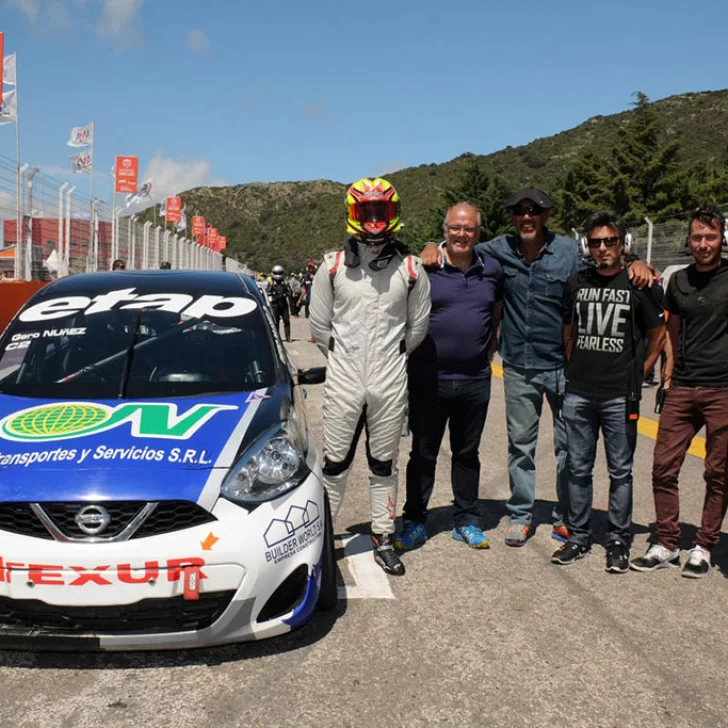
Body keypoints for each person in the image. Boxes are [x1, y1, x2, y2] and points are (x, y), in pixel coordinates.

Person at [420, 188, 652, 546]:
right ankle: (522, 514)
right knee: (521, 445)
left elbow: (604, 264)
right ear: (514, 218)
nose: (526, 217)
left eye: (534, 211)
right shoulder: (497, 249)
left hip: (562, 365)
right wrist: (433, 246)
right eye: (519, 212)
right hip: (518, 364)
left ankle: (565, 516)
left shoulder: (567, 252)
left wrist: (637, 262)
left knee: (568, 448)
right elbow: (460, 244)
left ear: (545, 216)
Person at [309, 177, 431, 575]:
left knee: (384, 463)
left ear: (393, 214)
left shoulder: (412, 269)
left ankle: (383, 537)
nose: (376, 220)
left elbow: (417, 330)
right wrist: (348, 359)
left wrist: (386, 358)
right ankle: (320, 540)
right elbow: (318, 327)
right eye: (368, 212)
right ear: (353, 214)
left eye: (383, 211)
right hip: (344, 378)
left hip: (390, 379)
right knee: (334, 464)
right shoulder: (331, 266)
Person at [551, 211, 665, 572]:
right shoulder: (576, 283)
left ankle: (618, 539)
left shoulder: (640, 285)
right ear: (587, 245)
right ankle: (580, 537)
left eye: (610, 241)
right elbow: (568, 328)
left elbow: (659, 334)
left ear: (624, 243)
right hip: (579, 392)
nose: (603, 248)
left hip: (620, 394)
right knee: (578, 469)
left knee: (621, 471)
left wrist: (640, 372)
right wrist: (572, 367)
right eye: (596, 242)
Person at [396, 202, 503, 551]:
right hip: (429, 379)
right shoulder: (424, 268)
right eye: (455, 228)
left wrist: (488, 349)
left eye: (469, 228)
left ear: (478, 233)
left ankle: (466, 520)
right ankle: (414, 520)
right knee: (423, 453)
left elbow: (496, 313)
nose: (462, 234)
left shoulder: (492, 270)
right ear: (445, 232)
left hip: (475, 379)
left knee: (467, 453)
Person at [631, 205, 728, 578]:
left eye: (711, 237)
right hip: (683, 385)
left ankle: (703, 544)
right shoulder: (679, 281)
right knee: (662, 467)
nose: (703, 244)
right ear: (689, 241)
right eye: (698, 237)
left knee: (717, 472)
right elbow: (671, 328)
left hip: (722, 388)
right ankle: (668, 542)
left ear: (721, 239)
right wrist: (669, 372)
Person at [267, 264, 292, 342]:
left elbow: (290, 292)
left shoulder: (285, 282)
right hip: (275, 304)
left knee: (286, 321)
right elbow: (267, 292)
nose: (278, 275)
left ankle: (288, 337)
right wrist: (273, 295)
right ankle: (277, 337)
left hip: (283, 304)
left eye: (279, 273)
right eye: (276, 273)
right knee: (276, 322)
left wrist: (284, 294)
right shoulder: (271, 283)